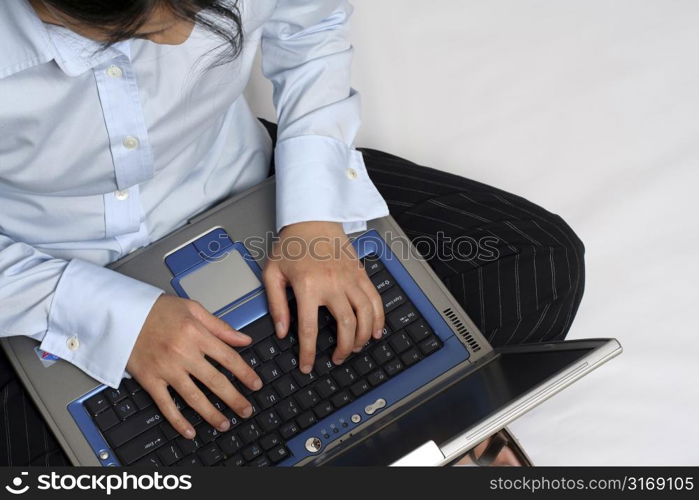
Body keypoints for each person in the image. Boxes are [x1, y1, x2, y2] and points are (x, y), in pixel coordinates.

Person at [0, 0, 584, 466]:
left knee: (537, 258)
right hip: (42, 262)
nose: (185, 38)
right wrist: (112, 319)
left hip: (240, 180)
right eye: (145, 28)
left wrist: (315, 217)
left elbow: (310, 32)